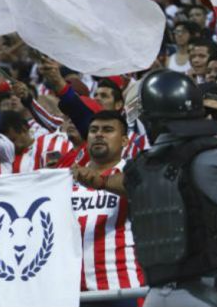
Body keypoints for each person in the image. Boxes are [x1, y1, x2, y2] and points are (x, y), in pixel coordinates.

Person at [73, 70, 217, 306]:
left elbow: (125, 182)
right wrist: (99, 181)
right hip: (204, 292)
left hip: (164, 295)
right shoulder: (210, 158)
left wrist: (99, 181)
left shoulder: (143, 167)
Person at [71, 111, 145, 306]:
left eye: (108, 130)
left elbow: (141, 188)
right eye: (93, 130)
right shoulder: (67, 178)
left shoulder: (135, 171)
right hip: (74, 293)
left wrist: (100, 181)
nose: (99, 134)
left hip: (123, 289)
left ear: (124, 141)